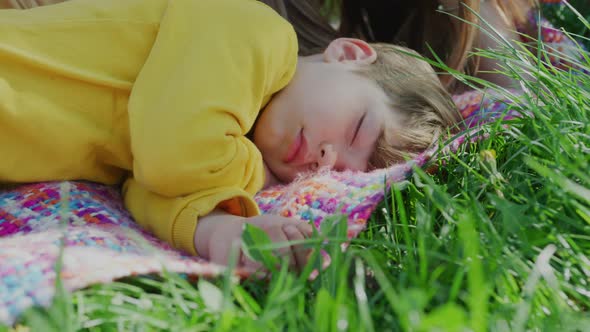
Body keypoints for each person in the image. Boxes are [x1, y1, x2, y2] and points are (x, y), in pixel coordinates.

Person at [0, 0, 460, 271]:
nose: (325, 156)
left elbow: (149, 186)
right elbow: (171, 158)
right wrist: (253, 176)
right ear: (348, 54)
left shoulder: (223, 136)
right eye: (358, 127)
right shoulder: (253, 29)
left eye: (340, 167)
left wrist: (223, 230)